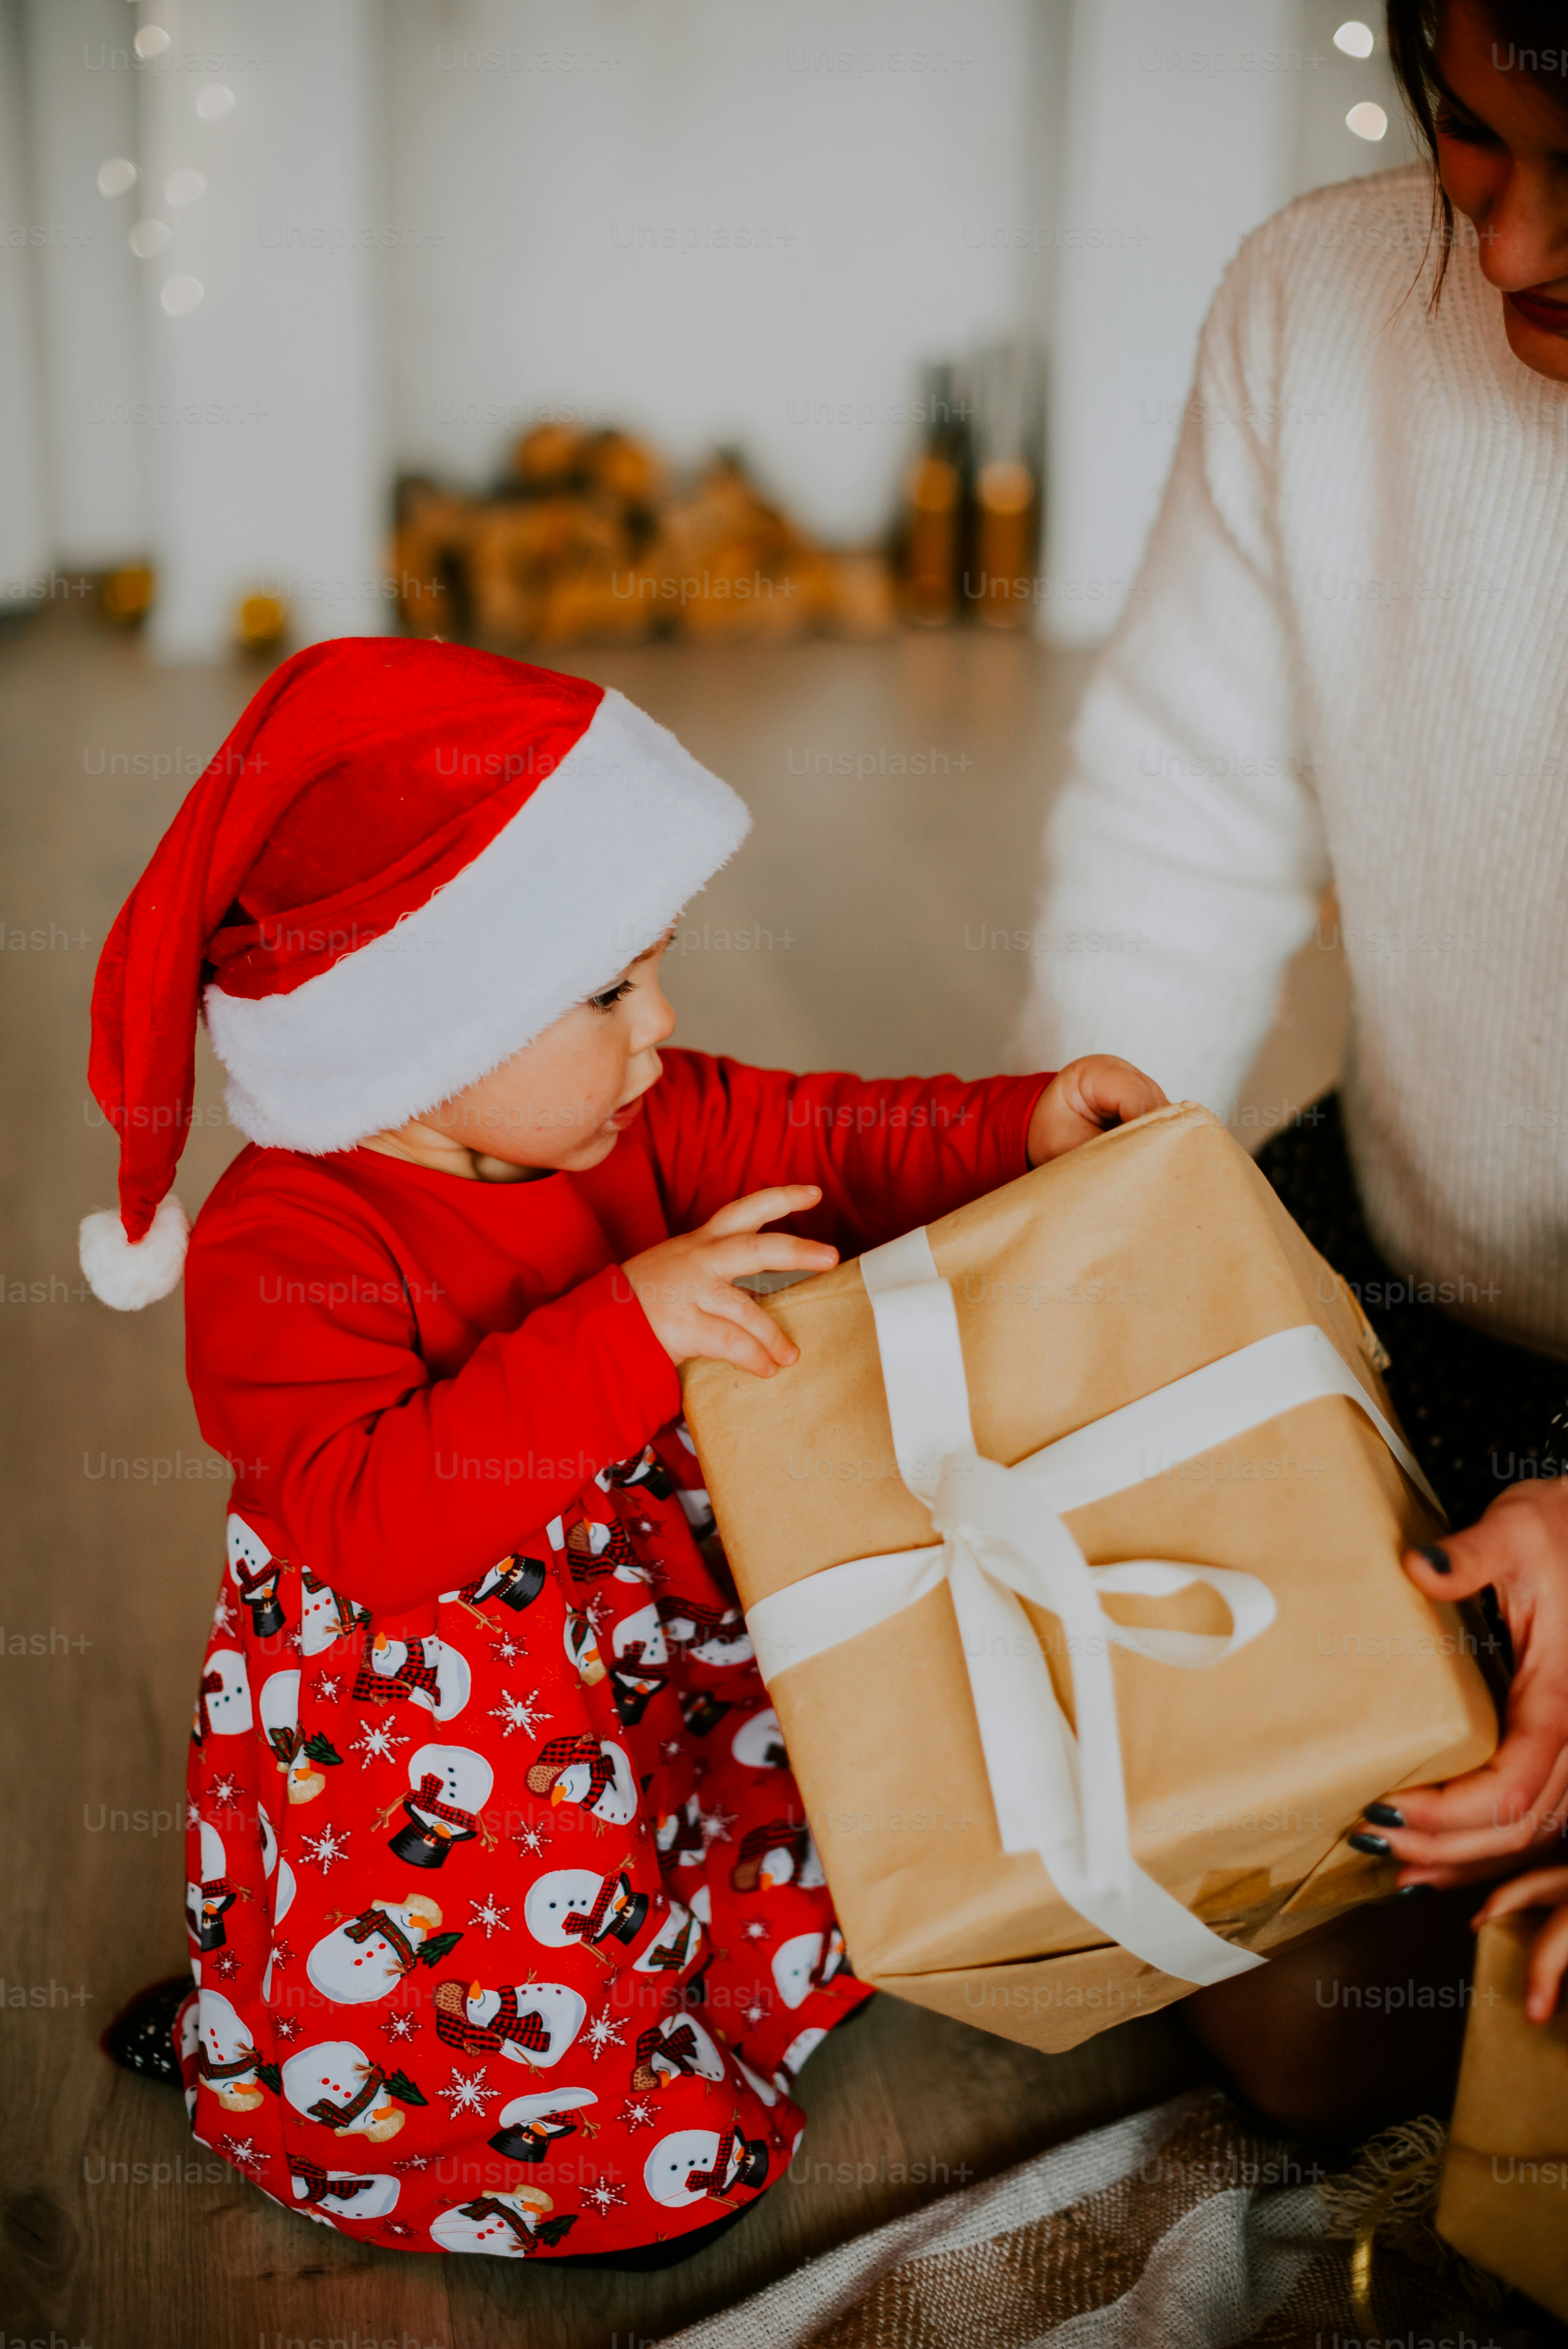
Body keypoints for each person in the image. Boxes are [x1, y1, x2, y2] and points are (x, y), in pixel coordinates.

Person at [83, 635, 1162, 2263]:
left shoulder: (625, 1115)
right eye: (606, 989)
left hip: (642, 1639)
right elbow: (364, 1517)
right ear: (433, 1021)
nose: (658, 1027)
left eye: (650, 970)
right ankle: (390, 2090)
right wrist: (627, 1326)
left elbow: (819, 1134)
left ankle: (692, 1983)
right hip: (436, 1730)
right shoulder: (285, 1241)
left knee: (702, 1810)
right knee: (476, 1944)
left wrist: (1012, 1124)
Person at [1014, 0, 1568, 2126]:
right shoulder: (1318, 304)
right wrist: (1062, 1258)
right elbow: (1182, 816)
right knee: (1309, 2032)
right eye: (1467, 139)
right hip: (1406, 1260)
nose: (1512, 255)